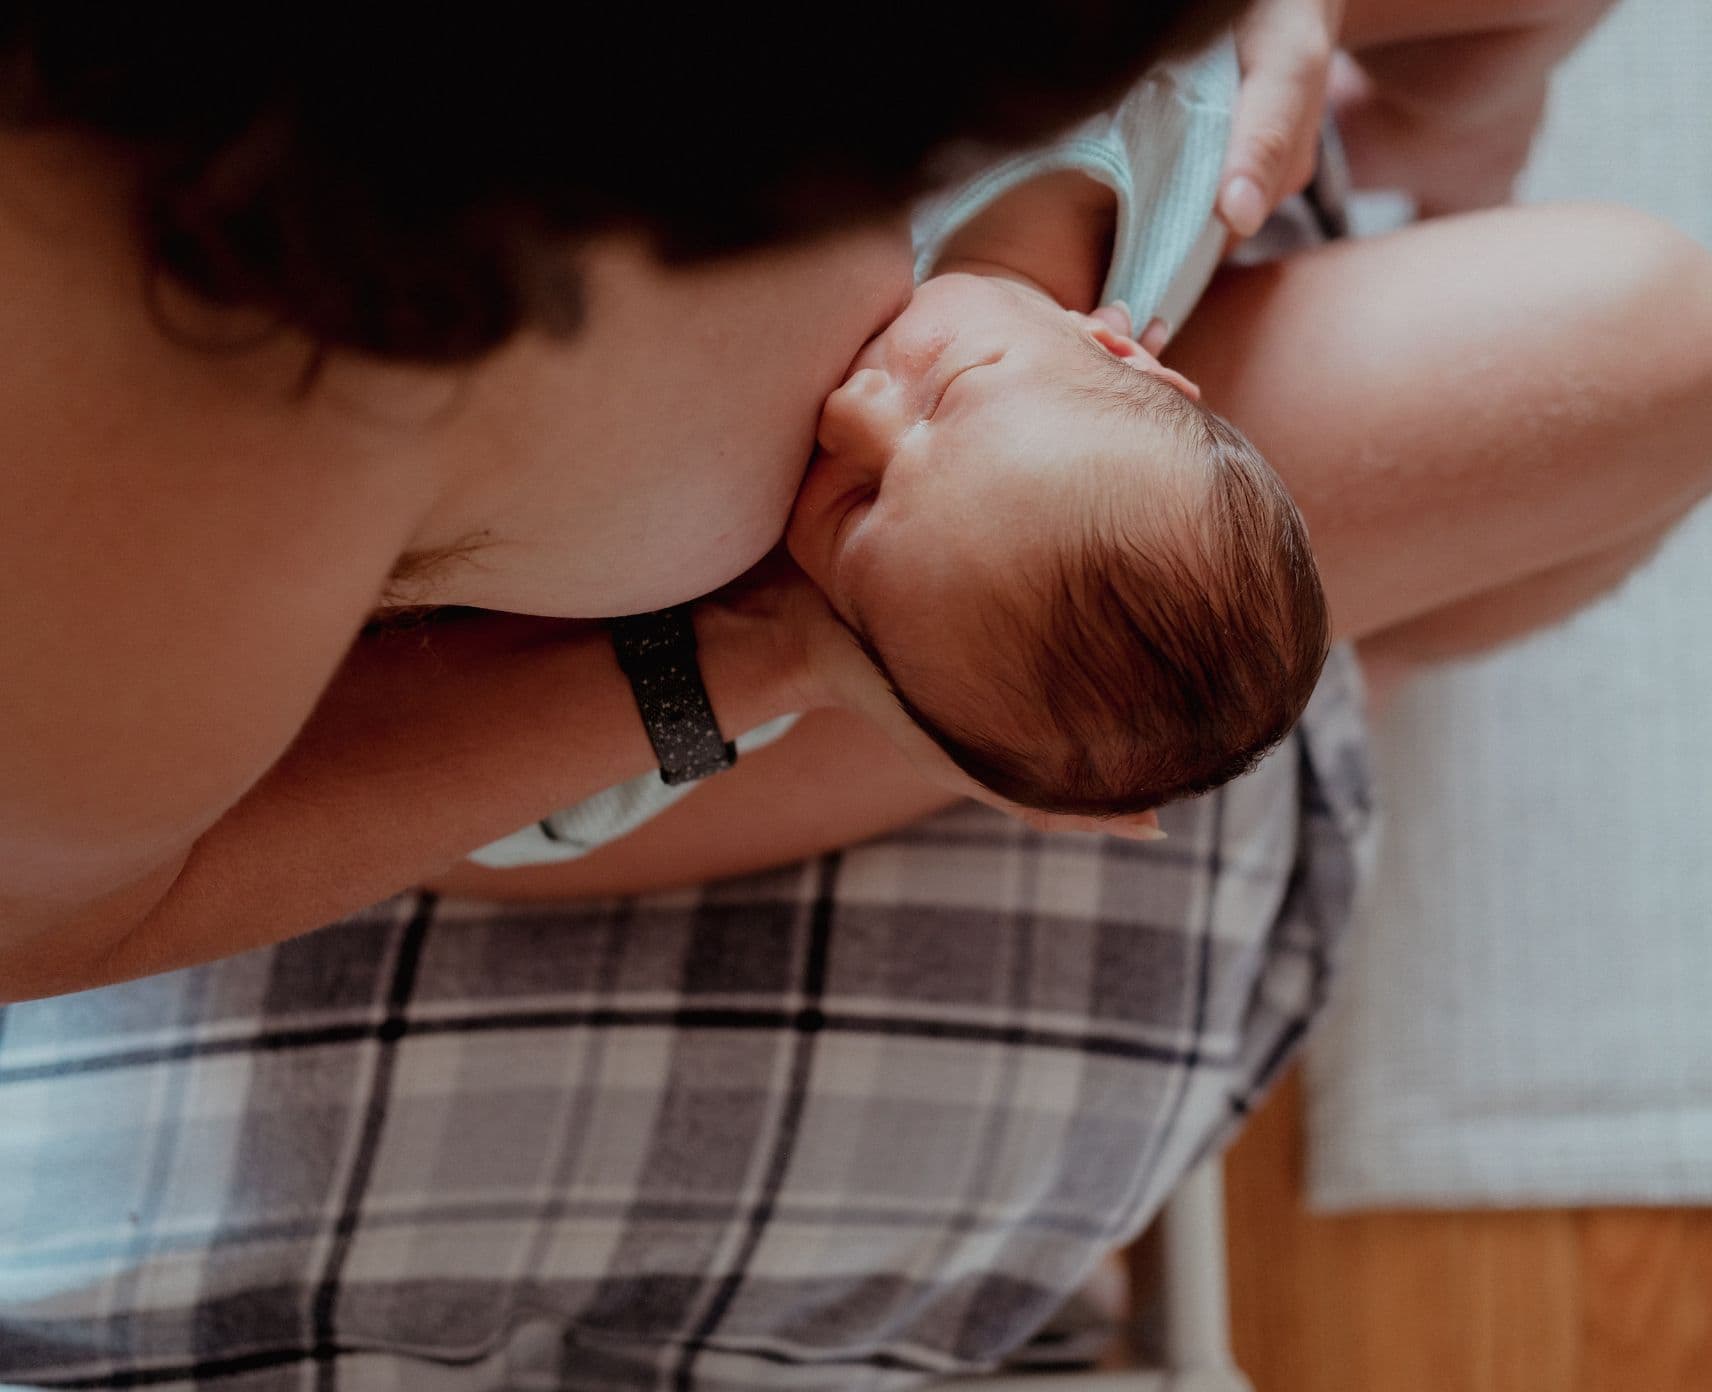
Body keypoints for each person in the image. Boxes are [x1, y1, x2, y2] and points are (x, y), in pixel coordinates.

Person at [6, 4, 1712, 1390]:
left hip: (1024, 444)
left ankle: (1345, 582)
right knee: (1643, 359)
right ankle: (1356, 671)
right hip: (696, 665)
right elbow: (71, 916)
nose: (854, 403)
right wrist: (771, 656)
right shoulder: (153, 491)